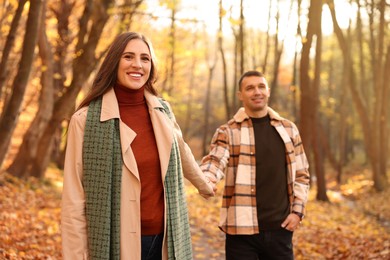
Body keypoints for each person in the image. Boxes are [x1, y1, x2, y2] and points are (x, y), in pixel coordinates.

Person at [61, 32, 215, 260]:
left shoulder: (162, 111)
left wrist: (204, 184)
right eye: (128, 57)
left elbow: (181, 150)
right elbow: (74, 199)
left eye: (145, 58)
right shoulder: (85, 121)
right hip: (118, 243)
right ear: (114, 62)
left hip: (167, 240)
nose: (138, 65)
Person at [200, 70, 310, 260]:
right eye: (250, 88)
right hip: (241, 233)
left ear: (268, 91)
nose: (256, 92)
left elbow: (302, 174)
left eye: (261, 87)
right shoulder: (227, 131)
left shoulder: (289, 130)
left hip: (280, 231)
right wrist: (206, 179)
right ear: (240, 96)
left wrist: (297, 212)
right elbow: (216, 160)